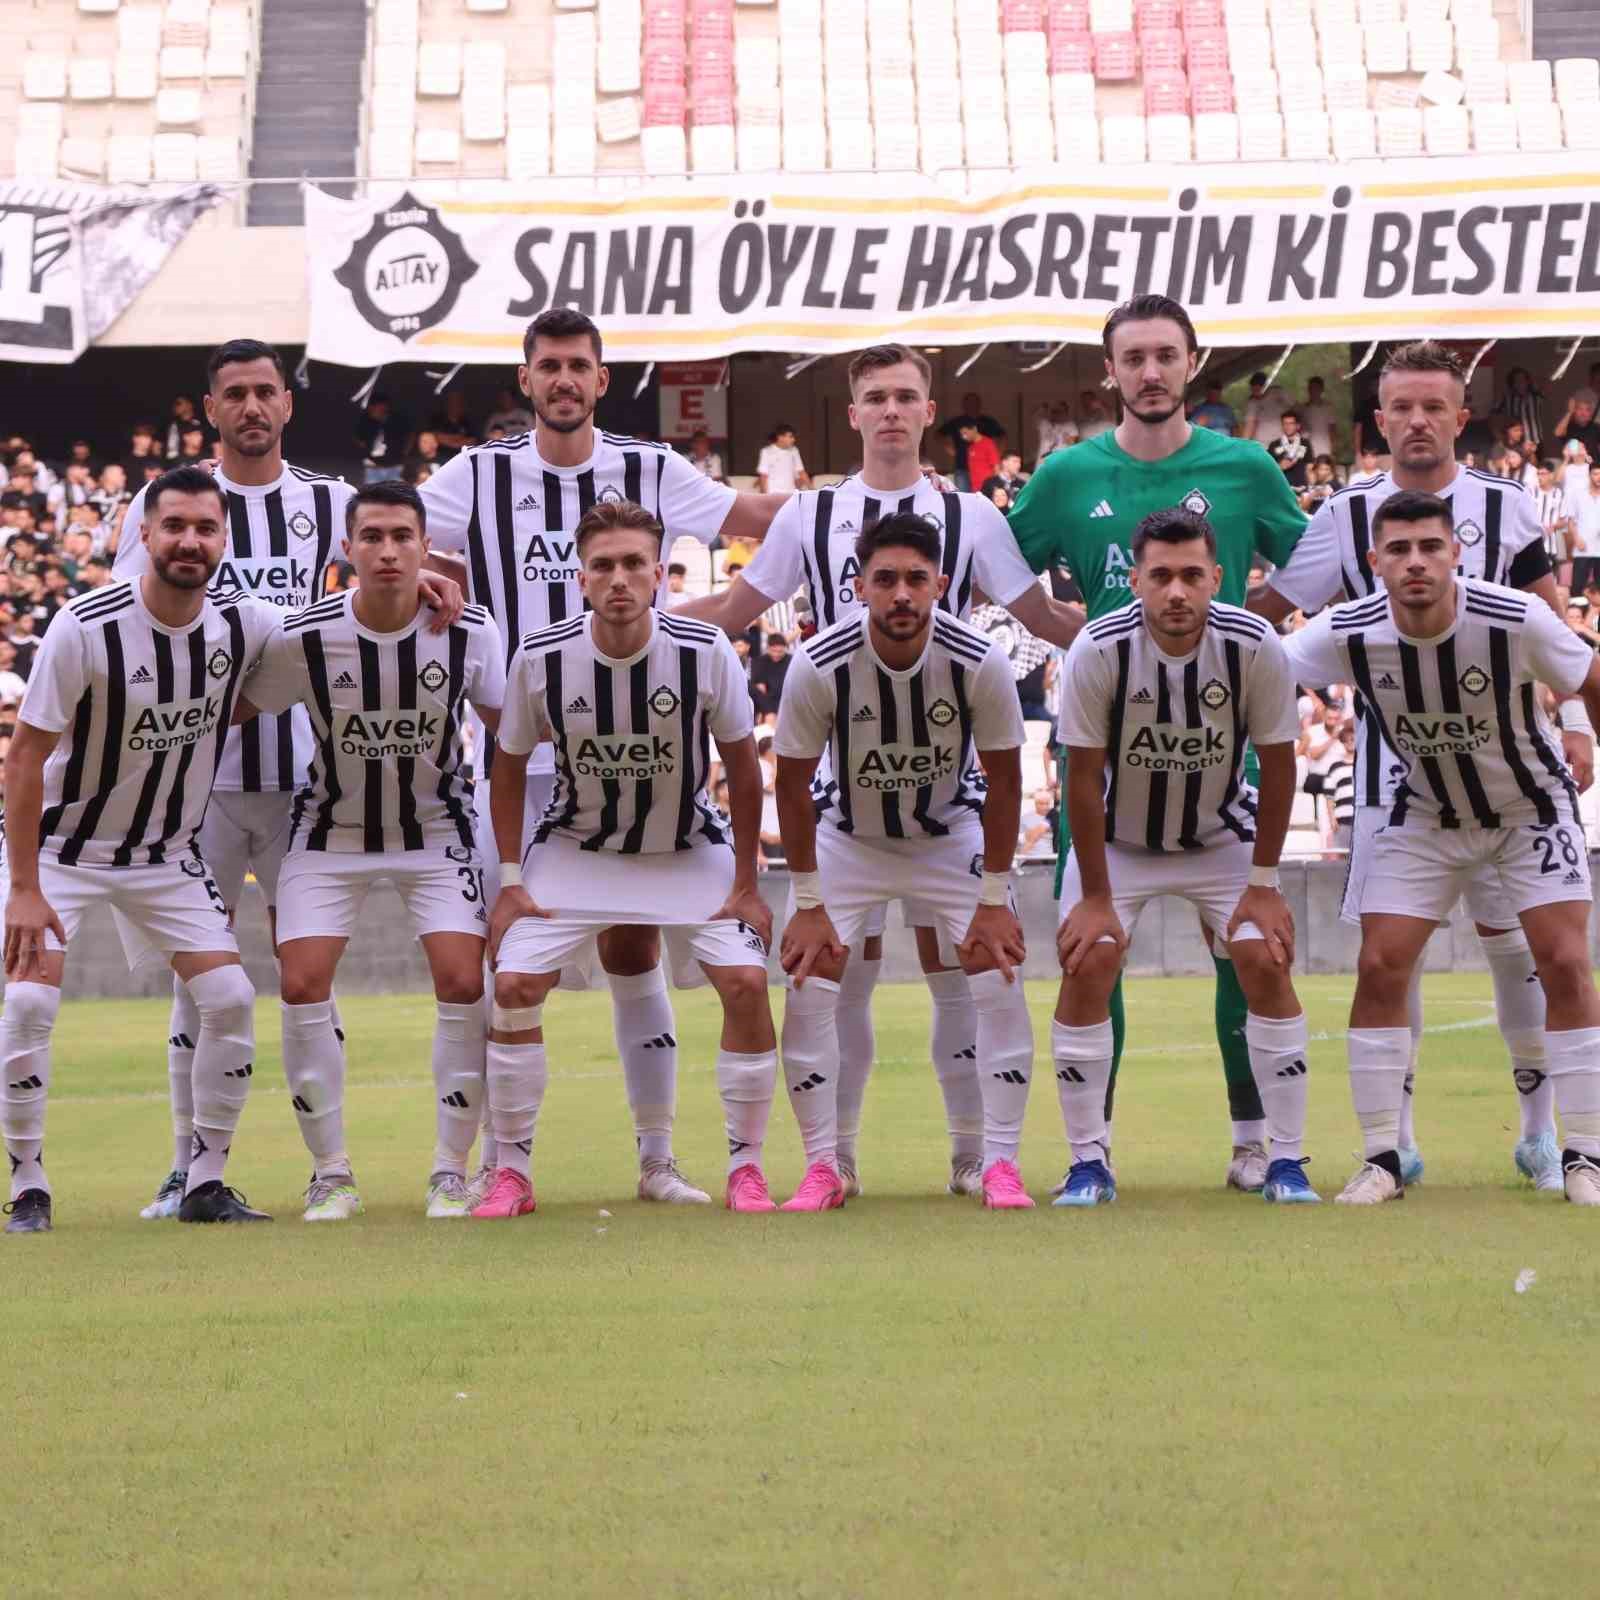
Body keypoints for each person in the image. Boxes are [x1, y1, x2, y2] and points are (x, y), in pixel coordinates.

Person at [673, 342, 1081, 1197]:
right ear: (853, 413)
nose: (891, 410)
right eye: (875, 397)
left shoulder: (972, 517)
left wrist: (1147, 632)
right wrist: (635, 623)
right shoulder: (809, 514)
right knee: (837, 979)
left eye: (905, 396)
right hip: (843, 797)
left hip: (946, 791)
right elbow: (735, 610)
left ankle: (976, 1159)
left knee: (961, 973)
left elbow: (1042, 617)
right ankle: (837, 1162)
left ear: (928, 412)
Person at [418, 307, 788, 1202]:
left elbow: (758, 517)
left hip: (648, 758)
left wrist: (840, 515)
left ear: (600, 378)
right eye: (548, 366)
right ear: (526, 379)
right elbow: (388, 536)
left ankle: (658, 1160)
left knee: (632, 951)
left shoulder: (651, 468)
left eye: (578, 366)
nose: (564, 380)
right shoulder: (477, 473)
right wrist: (426, 573)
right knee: (500, 970)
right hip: (524, 753)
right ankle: (481, 1166)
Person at [1255, 340, 1590, 1192]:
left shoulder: (1506, 504)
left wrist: (1577, 723)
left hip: (1511, 770)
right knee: (1387, 954)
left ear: (1459, 416)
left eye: (1433, 407)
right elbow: (1277, 614)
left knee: (1520, 951)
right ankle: (1394, 1143)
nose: (1416, 421)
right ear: (1379, 420)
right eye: (1401, 407)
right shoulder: (1345, 513)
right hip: (1395, 779)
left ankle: (1541, 1134)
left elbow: (1554, 625)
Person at [1009, 293, 1309, 1194]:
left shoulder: (1246, 466)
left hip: (1220, 755)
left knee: (1247, 958)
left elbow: (1311, 564)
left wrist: (1241, 625)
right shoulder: (1066, 475)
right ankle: (1090, 1155)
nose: (1149, 372)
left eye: (1164, 356)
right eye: (1132, 357)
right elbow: (1001, 567)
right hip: (1104, 761)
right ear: (1110, 371)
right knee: (1093, 953)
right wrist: (1070, 634)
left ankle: (1257, 1144)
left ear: (1191, 363)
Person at [112, 340, 370, 1221]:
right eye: (236, 394)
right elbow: (129, 624)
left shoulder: (331, 502)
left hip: (310, 782)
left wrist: (438, 590)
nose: (252, 407)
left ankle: (330, 1169)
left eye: (266, 391)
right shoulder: (165, 505)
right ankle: (186, 1169)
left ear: (287, 404)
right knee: (199, 981)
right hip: (199, 788)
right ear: (210, 408)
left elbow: (388, 583)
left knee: (309, 977)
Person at [2, 467, 280, 1234]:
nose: (190, 541)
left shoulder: (245, 623)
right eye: (175, 526)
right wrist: (22, 887)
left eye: (206, 528)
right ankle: (29, 1187)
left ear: (223, 540)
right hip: (63, 851)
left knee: (230, 999)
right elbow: (23, 758)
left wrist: (421, 582)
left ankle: (205, 1182)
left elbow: (333, 625)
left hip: (164, 855)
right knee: (28, 1002)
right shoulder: (84, 625)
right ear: (145, 535)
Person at [483, 498, 780, 1215]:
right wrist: (512, 880)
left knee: (746, 982)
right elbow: (508, 767)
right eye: (603, 566)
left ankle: (741, 1168)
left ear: (658, 573)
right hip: (577, 848)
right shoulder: (541, 656)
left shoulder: (704, 651)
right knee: (514, 985)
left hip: (686, 847)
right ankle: (511, 1173)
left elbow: (744, 770)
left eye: (633, 564)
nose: (619, 578)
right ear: (581, 577)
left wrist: (747, 882)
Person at [235, 481, 503, 1222]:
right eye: (373, 537)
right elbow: (231, 707)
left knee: (463, 981)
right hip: (331, 833)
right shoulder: (305, 636)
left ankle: (451, 1172)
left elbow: (511, 729)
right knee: (300, 983)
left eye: (402, 536)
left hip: (439, 831)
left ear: (426, 546)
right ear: (347, 548)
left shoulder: (470, 628)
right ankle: (331, 1174)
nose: (388, 551)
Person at [1053, 506, 1317, 1206]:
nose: (1177, 591)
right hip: (1118, 843)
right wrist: (1096, 897)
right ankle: (1088, 1161)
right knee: (1090, 959)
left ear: (1218, 577)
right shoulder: (1097, 648)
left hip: (1219, 837)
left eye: (1192, 576)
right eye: (1162, 575)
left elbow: (1279, 767)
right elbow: (1082, 777)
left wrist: (1264, 884)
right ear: (1134, 580)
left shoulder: (1255, 643)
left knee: (1263, 956)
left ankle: (1277, 1156)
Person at [774, 511, 1036, 1210]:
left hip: (949, 833)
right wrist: (806, 901)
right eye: (885, 579)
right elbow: (790, 784)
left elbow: (1007, 781)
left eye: (917, 579)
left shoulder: (978, 659)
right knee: (810, 980)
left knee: (997, 972)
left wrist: (994, 896)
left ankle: (993, 1162)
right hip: (848, 836)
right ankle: (826, 1165)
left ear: (941, 586)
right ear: (858, 586)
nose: (901, 594)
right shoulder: (819, 662)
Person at [938, 391, 1004, 489]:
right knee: (963, 495)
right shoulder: (957, 421)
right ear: (963, 405)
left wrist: (998, 454)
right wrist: (949, 448)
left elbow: (1002, 436)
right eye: (968, 403)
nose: (963, 437)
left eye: (974, 402)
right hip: (961, 466)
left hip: (985, 470)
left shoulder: (988, 423)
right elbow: (939, 435)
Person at [356, 394, 413, 484]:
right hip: (372, 467)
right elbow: (358, 438)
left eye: (381, 407)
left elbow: (410, 435)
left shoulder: (397, 420)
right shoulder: (366, 421)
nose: (378, 409)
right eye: (374, 407)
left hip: (395, 465)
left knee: (395, 490)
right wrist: (365, 452)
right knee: (372, 491)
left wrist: (405, 453)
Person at [749, 630, 791, 719]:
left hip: (787, 699)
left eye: (780, 651)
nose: (776, 654)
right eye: (773, 651)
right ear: (768, 648)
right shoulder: (759, 662)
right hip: (767, 702)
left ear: (785, 648)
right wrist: (767, 711)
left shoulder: (791, 661)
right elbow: (760, 690)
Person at [756, 424, 809, 494]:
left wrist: (814, 490)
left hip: (791, 493)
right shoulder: (766, 451)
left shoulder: (794, 450)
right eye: (791, 437)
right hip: (773, 493)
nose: (793, 440)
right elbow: (763, 476)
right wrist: (764, 495)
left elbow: (801, 472)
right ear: (780, 437)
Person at [1552, 387, 1600, 458]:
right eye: (1580, 409)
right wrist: (1569, 412)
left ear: (1591, 414)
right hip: (1573, 463)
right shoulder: (1569, 426)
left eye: (1587, 410)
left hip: (1594, 463)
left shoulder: (1596, 427)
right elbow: (1557, 433)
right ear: (1574, 411)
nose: (1583, 413)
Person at [1268, 410, 1310, 489]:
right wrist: (1279, 467)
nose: (1287, 426)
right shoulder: (1274, 444)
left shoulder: (1305, 443)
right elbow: (1268, 468)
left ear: (1298, 426)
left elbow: (1310, 466)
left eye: (1291, 423)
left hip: (1301, 486)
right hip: (1280, 486)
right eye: (1285, 423)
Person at [1243, 372, 1289, 443]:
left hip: (1282, 439)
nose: (1256, 393)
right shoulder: (1252, 403)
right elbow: (1250, 425)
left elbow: (1296, 408)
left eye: (1258, 389)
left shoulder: (1278, 393)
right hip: (1262, 442)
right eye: (1253, 390)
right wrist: (1244, 443)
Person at [1299, 376, 1336, 459]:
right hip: (1307, 447)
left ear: (1321, 390)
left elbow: (1332, 428)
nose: (1313, 391)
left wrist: (1332, 448)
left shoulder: (1328, 407)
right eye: (1311, 388)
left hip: (1325, 446)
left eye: (1316, 388)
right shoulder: (1303, 408)